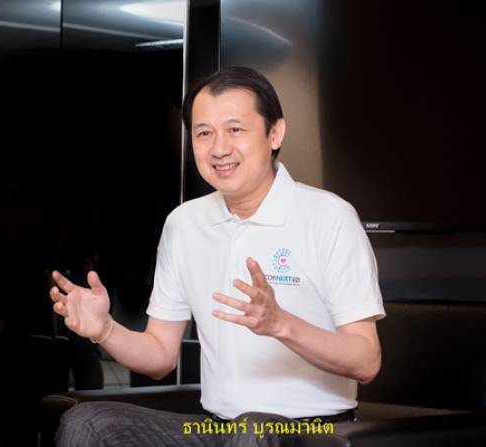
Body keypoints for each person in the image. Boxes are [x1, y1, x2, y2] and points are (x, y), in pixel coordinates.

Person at [50, 66, 386, 446]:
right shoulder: (185, 224)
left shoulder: (329, 217)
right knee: (88, 422)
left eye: (235, 129)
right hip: (218, 430)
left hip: (312, 432)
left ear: (275, 133)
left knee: (252, 430)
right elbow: (159, 356)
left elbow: (366, 360)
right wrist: (105, 330)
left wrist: (281, 324)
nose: (219, 148)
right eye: (204, 133)